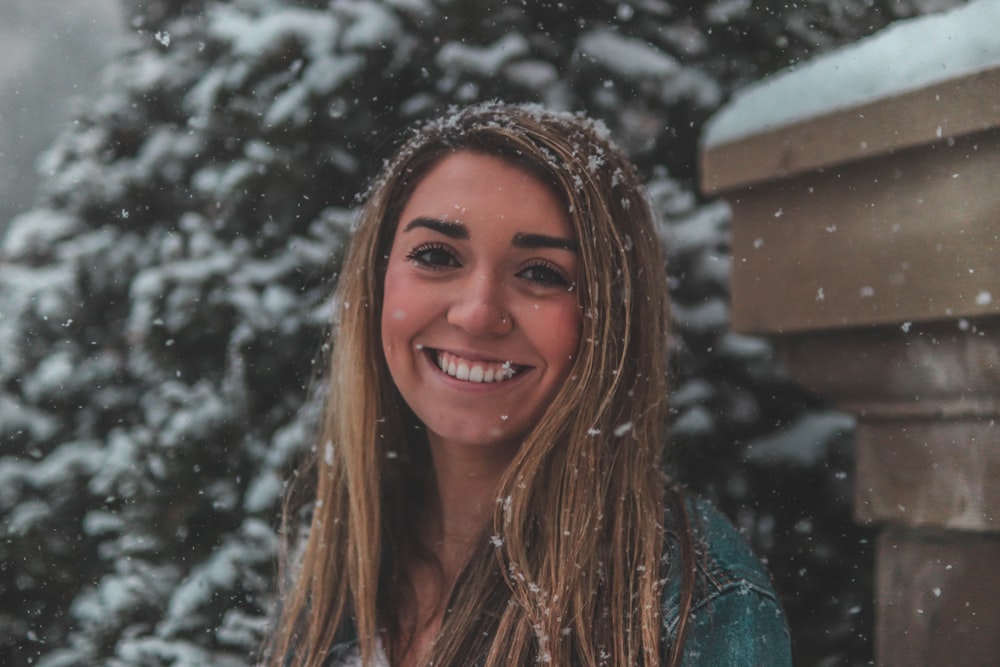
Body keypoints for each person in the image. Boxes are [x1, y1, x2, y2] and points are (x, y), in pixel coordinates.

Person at [264, 102, 793, 666]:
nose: (477, 313)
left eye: (541, 272)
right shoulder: (348, 553)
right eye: (437, 255)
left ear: (609, 318)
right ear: (377, 281)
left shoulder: (690, 603)